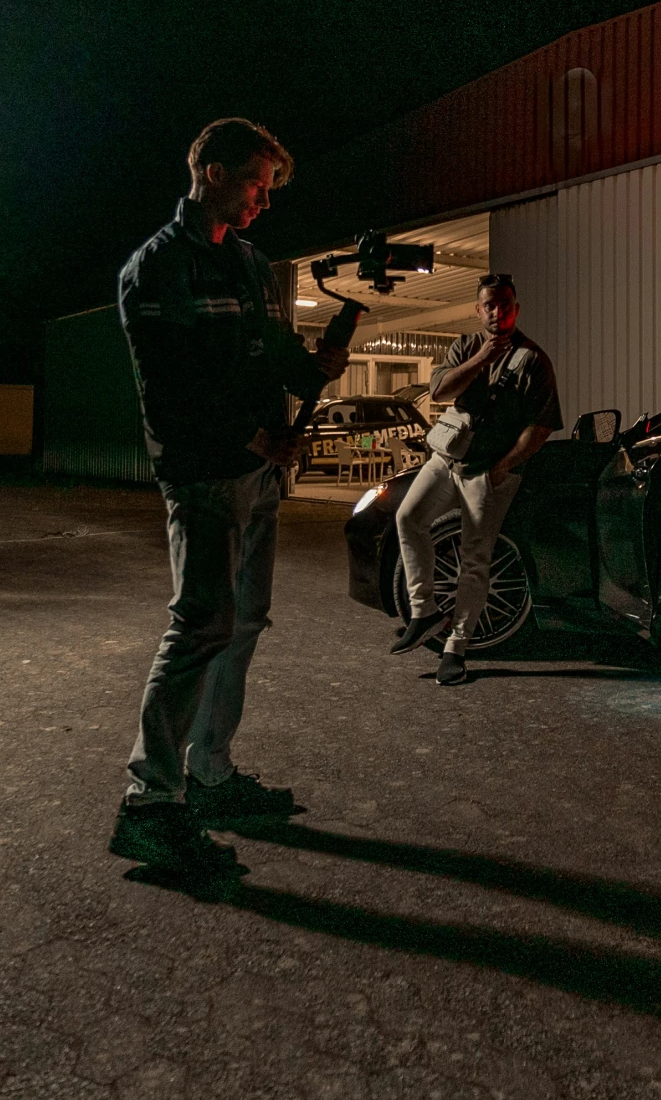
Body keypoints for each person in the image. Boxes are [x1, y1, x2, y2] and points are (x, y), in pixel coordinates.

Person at [108, 118, 350, 876]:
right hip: (206, 475)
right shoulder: (154, 270)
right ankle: (148, 802)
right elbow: (173, 391)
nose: (262, 202)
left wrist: (322, 365)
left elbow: (281, 361)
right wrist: (255, 441)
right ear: (212, 172)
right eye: (254, 183)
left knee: (243, 621)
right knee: (200, 623)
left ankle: (208, 771)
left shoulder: (250, 263)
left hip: (257, 477)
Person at [391, 273, 562, 685]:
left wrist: (504, 466)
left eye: (504, 304)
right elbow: (439, 392)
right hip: (447, 458)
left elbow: (540, 427)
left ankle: (457, 647)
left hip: (489, 471)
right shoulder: (466, 346)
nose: (496, 312)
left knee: (475, 558)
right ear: (477, 309)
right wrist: (481, 359)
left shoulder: (534, 360)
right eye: (489, 305)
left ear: (515, 309)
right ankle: (424, 611)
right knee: (408, 519)